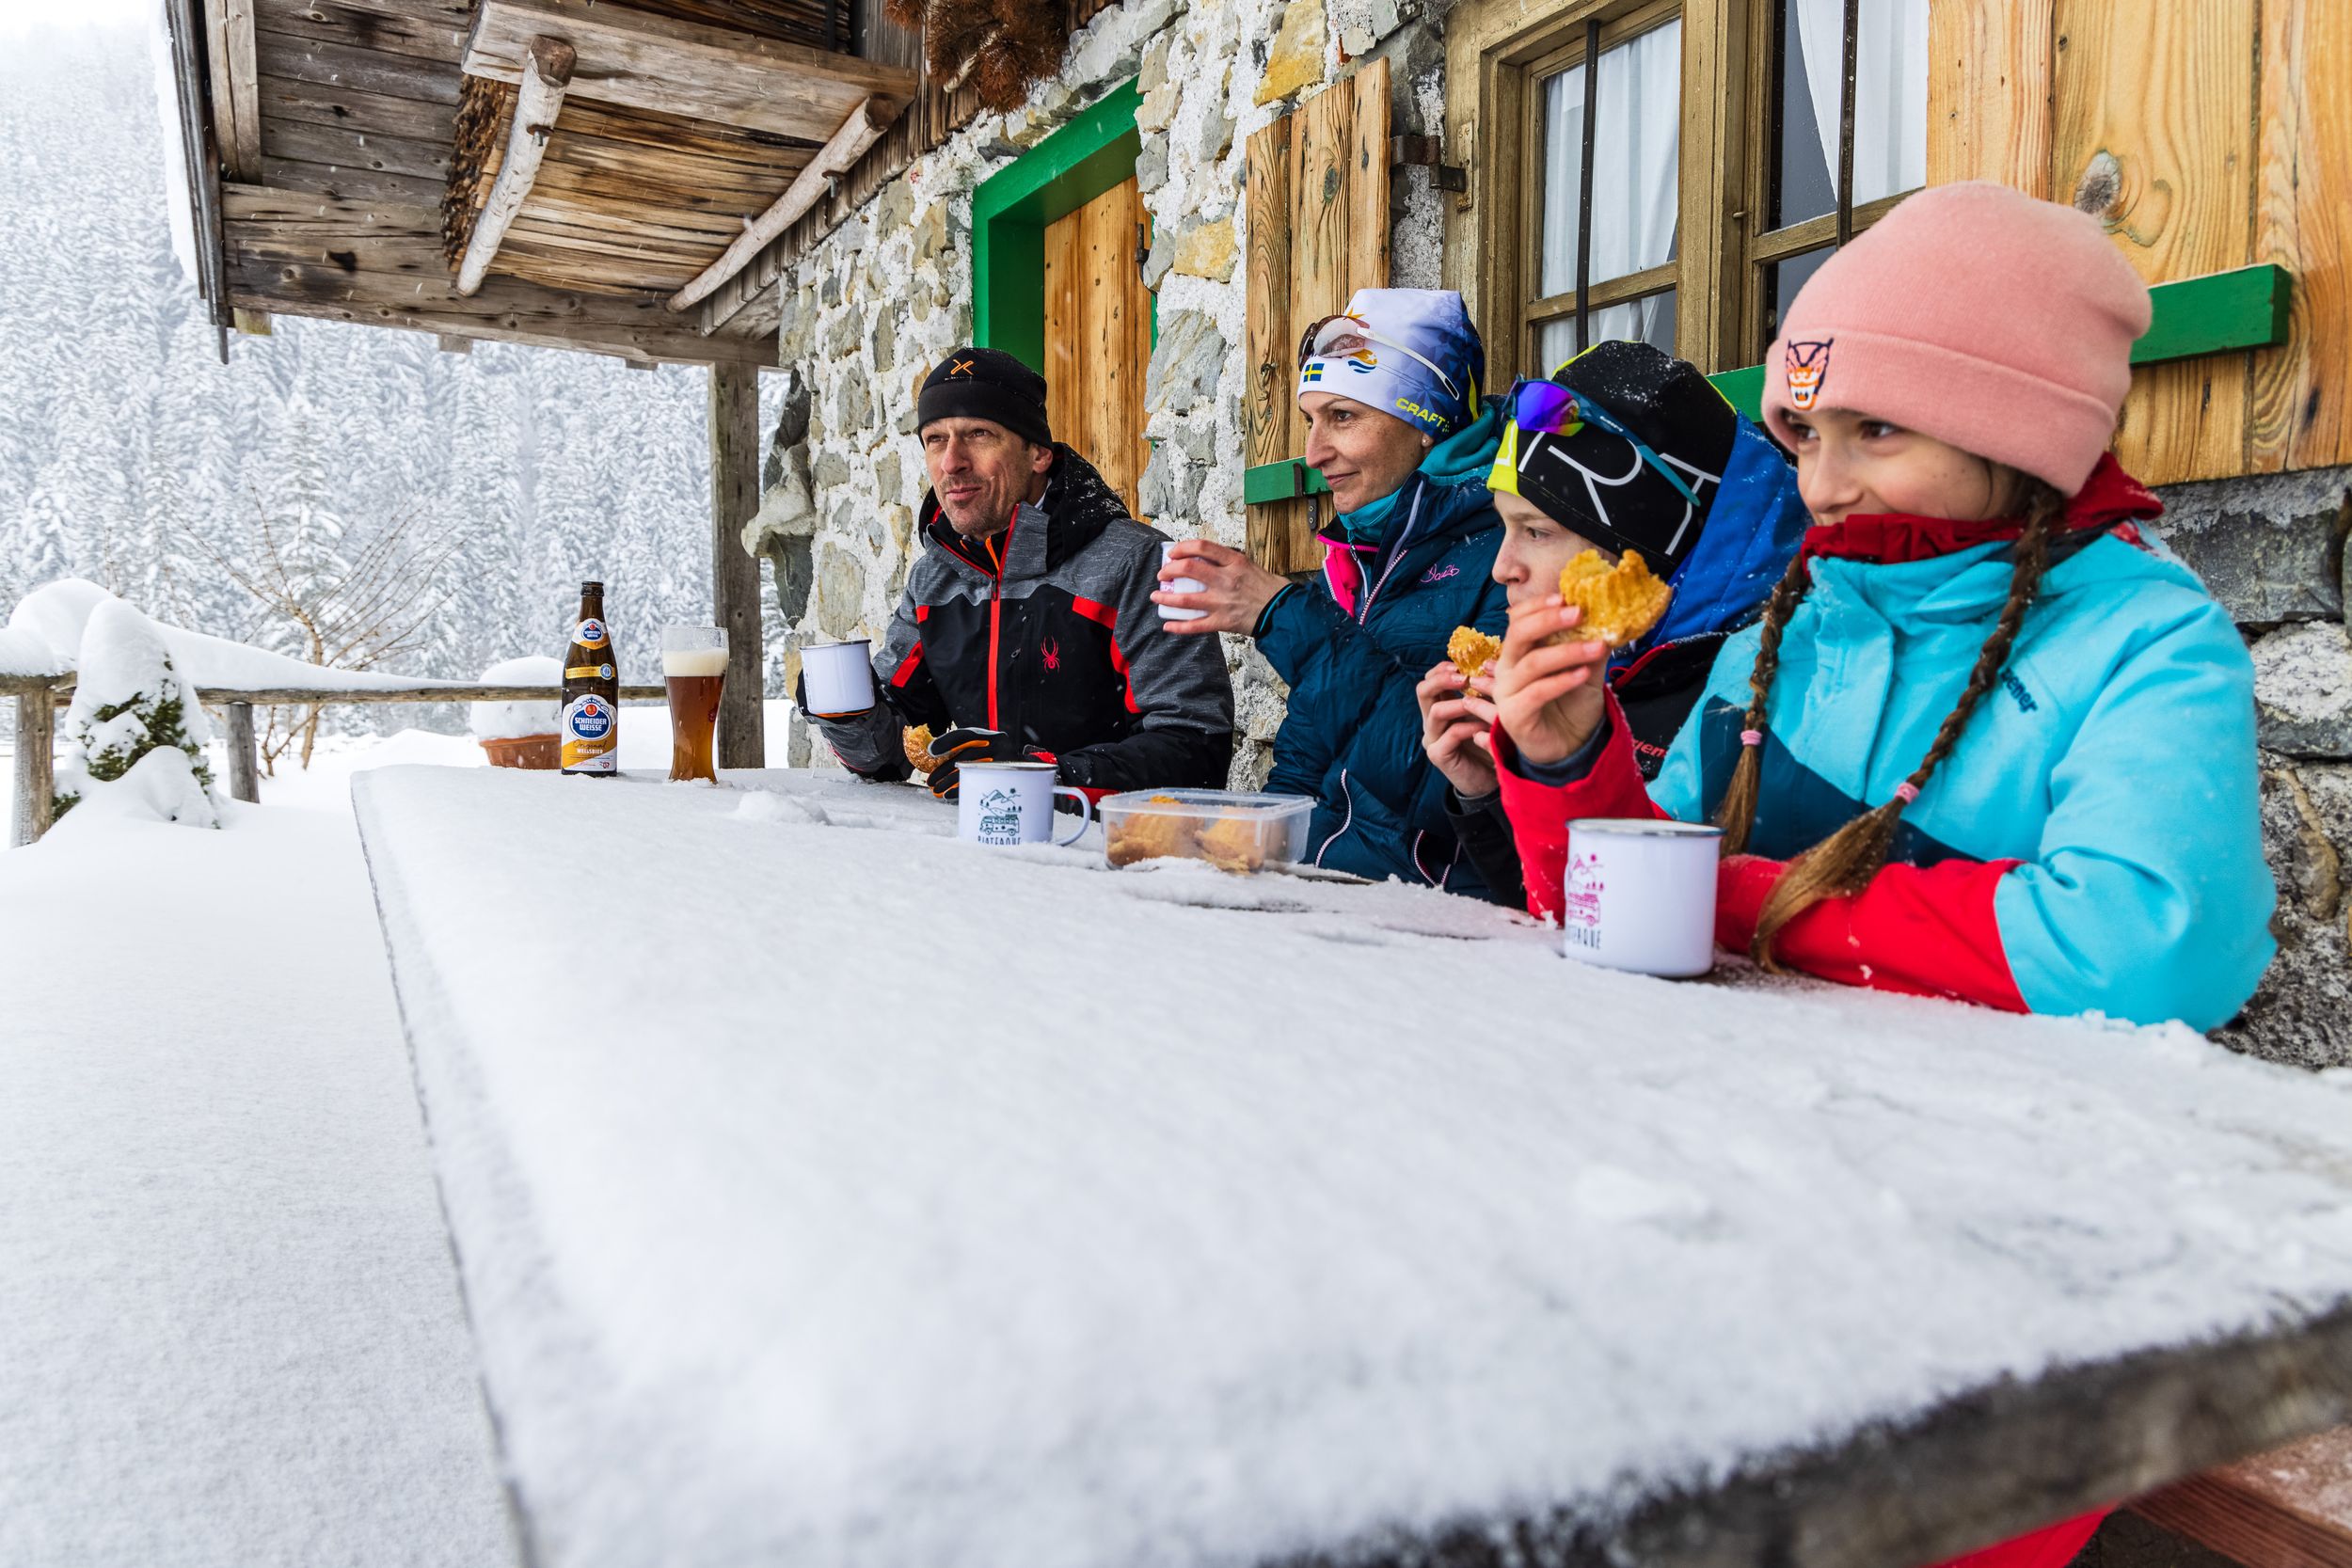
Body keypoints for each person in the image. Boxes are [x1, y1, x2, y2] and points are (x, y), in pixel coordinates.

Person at [1486, 181, 2275, 1044]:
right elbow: (1624, 924)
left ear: (2019, 429)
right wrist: (1568, 763)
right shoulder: (1775, 638)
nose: (1821, 488)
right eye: (1809, 434)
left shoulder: (2146, 641)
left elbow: (2152, 948)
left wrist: (1752, 901)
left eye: (1878, 431)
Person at [1412, 341, 1809, 908]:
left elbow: (1671, 920)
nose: (1502, 568)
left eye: (1537, 531)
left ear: (1642, 553)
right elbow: (1563, 910)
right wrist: (1491, 787)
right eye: (1505, 527)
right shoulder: (1617, 661)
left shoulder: (1752, 688)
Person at [1153, 289, 1508, 892]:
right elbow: (1305, 762)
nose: (1314, 453)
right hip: (1324, 891)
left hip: (1430, 914)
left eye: (1343, 417)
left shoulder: (1512, 555)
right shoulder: (1365, 552)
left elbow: (1447, 784)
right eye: (1311, 421)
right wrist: (1245, 851)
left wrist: (1281, 613)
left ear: (1426, 423)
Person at [801, 346, 1233, 799]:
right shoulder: (935, 578)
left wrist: (1041, 776)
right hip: (978, 849)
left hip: (1105, 852)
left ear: (1038, 454)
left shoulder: (1137, 563)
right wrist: (847, 713)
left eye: (979, 434)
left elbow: (1194, 748)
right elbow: (889, 754)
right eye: (935, 440)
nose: (952, 462)